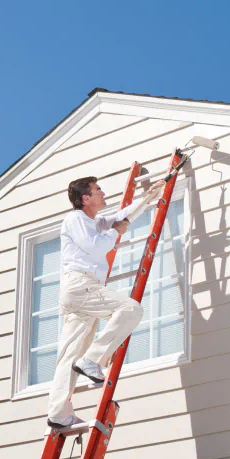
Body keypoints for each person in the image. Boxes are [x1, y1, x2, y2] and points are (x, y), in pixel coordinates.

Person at [46, 176, 165, 430]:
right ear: (85, 198)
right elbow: (96, 247)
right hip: (81, 286)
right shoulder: (76, 219)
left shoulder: (93, 221)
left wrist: (148, 197)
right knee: (131, 308)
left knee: (70, 356)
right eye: (97, 190)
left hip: (78, 292)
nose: (103, 193)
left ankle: (58, 412)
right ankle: (93, 360)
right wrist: (115, 232)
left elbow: (121, 217)